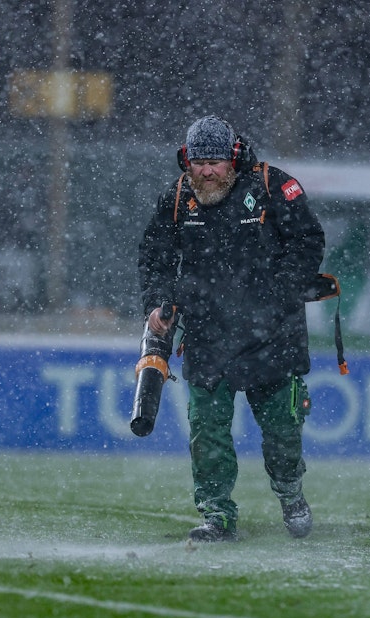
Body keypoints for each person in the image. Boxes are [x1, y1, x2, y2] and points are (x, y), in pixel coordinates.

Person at [138, 115, 326, 542]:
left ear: (234, 158)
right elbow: (155, 258)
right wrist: (156, 303)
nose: (207, 171)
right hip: (207, 337)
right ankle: (216, 516)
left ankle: (290, 491)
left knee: (282, 433)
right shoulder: (176, 199)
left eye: (216, 162)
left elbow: (308, 241)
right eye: (198, 161)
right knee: (207, 432)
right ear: (186, 161)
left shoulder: (274, 187)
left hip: (271, 337)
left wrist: (277, 292)